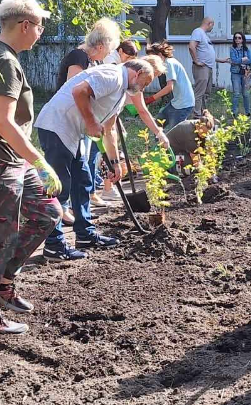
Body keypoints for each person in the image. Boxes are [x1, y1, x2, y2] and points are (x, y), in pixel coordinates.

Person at [0, 0, 63, 338]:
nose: (41, 33)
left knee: (47, 213)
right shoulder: (3, 61)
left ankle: (4, 281)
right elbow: (4, 122)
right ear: (24, 24)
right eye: (39, 26)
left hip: (5, 158)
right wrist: (41, 160)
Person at [35, 56, 165, 260]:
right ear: (137, 73)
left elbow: (109, 129)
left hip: (73, 134)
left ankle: (85, 234)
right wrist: (91, 121)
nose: (143, 89)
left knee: (83, 182)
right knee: (60, 187)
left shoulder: (121, 92)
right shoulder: (112, 75)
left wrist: (114, 163)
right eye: (145, 83)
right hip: (57, 127)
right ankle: (54, 245)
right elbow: (79, 91)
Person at [56, 19, 122, 213]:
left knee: (80, 165)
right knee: (68, 166)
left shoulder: (89, 59)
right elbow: (73, 90)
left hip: (78, 122)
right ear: (100, 46)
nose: (108, 55)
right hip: (66, 121)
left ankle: (73, 208)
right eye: (109, 50)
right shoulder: (79, 57)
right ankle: (63, 209)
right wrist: (91, 120)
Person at [143, 42, 195, 129]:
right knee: (158, 124)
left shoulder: (169, 63)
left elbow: (169, 88)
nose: (151, 61)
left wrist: (150, 99)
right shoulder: (169, 62)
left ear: (159, 55)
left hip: (184, 104)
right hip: (176, 102)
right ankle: (158, 141)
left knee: (174, 133)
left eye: (152, 58)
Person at [218, 32, 251, 117]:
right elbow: (233, 61)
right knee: (236, 93)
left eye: (239, 38)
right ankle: (234, 113)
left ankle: (248, 112)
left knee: (246, 94)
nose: (237, 39)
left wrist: (239, 61)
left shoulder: (246, 49)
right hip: (235, 74)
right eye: (236, 38)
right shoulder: (232, 49)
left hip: (245, 73)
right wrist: (243, 59)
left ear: (242, 39)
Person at [189, 17, 217, 115]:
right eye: (212, 26)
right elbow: (192, 47)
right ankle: (197, 115)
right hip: (201, 68)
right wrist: (196, 61)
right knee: (199, 92)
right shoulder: (198, 32)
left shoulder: (204, 35)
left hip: (208, 67)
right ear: (210, 23)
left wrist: (220, 60)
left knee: (206, 92)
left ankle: (203, 113)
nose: (212, 28)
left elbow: (206, 52)